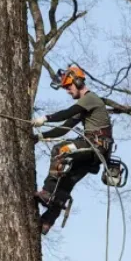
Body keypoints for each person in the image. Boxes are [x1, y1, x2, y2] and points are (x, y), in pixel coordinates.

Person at [31, 65, 114, 235]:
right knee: (66, 181)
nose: (68, 91)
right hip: (92, 152)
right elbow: (64, 128)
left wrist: (47, 118)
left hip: (95, 146)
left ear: (77, 81)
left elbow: (68, 113)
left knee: (61, 149)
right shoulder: (84, 107)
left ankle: (47, 191)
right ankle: (47, 221)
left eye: (69, 87)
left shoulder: (91, 99)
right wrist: (39, 137)